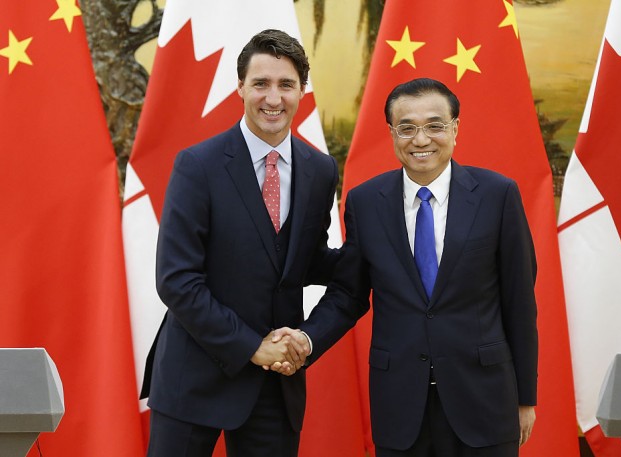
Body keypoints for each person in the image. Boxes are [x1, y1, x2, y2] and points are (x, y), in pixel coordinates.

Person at [282, 78, 538, 456]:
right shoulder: (366, 202)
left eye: (435, 125)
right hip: (400, 404)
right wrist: (306, 339)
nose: (421, 140)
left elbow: (519, 302)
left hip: (485, 399)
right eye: (407, 128)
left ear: (455, 129)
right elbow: (349, 294)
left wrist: (526, 399)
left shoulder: (497, 195)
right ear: (391, 133)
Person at [142, 29, 339, 457]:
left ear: (303, 90)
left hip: (275, 386)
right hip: (195, 376)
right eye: (261, 83)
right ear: (240, 87)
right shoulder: (197, 165)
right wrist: (253, 348)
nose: (274, 98)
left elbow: (305, 261)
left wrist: (375, 255)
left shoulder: (321, 171)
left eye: (286, 84)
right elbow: (177, 280)